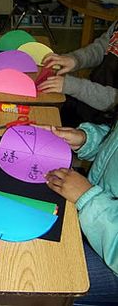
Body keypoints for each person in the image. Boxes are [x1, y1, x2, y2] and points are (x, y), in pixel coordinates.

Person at [40, 108, 118, 304]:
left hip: (111, 257)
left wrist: (88, 197)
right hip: (96, 210)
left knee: (40, 273)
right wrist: (86, 139)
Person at [39, 20, 118, 127]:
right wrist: (75, 59)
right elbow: (101, 48)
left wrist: (73, 86)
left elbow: (113, 100)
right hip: (89, 97)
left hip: (107, 123)